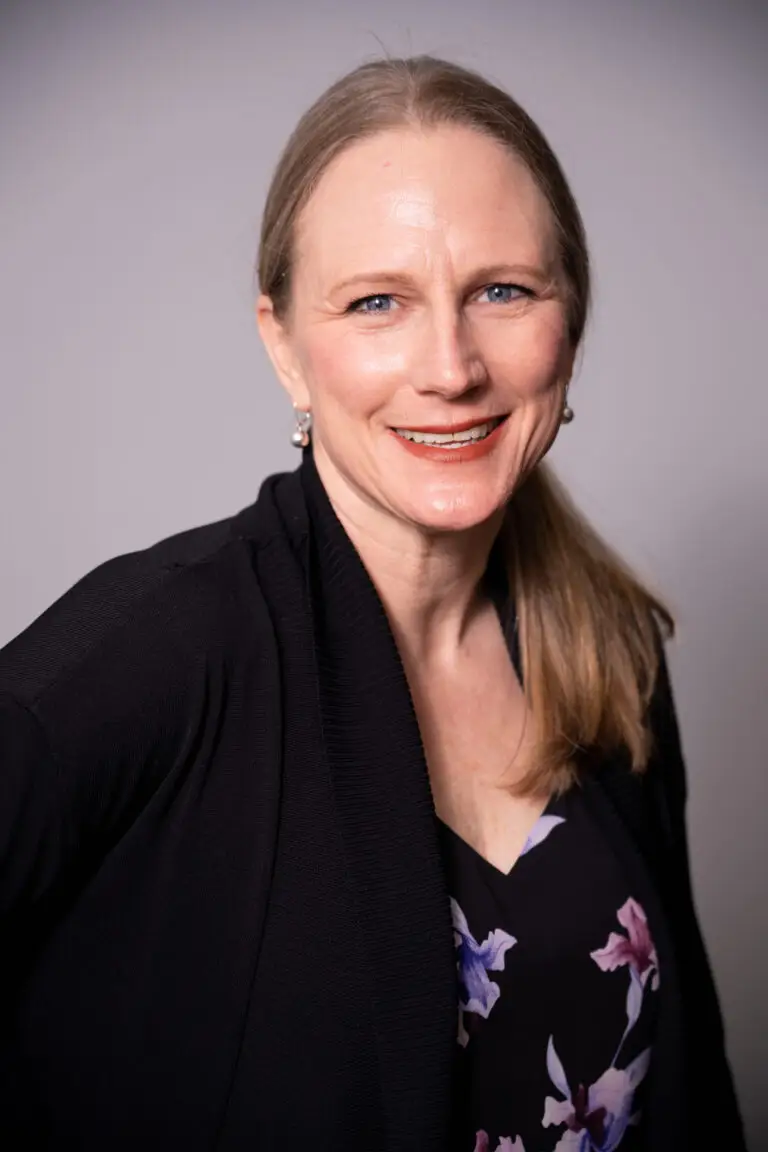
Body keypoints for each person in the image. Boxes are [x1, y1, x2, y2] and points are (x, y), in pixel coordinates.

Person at [0, 54, 745, 1152]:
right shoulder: (164, 646)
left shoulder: (611, 648)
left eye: (502, 291)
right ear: (285, 348)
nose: (449, 367)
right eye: (377, 303)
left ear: (568, 328)